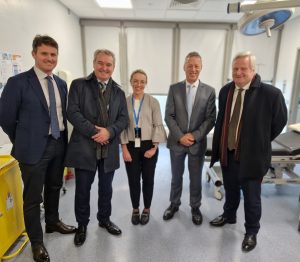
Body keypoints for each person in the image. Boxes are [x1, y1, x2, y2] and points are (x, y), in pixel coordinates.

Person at [0, 35, 76, 262]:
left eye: (53, 55)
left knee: (54, 186)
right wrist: (23, 139)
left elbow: (61, 116)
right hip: (32, 150)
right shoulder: (19, 83)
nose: (49, 58)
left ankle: (52, 222)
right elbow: (5, 118)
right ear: (34, 54)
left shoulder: (61, 84)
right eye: (44, 54)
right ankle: (37, 242)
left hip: (58, 144)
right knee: (32, 198)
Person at [209, 51, 287, 252]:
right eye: (235, 68)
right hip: (228, 152)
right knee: (231, 190)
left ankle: (251, 231)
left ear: (253, 70)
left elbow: (279, 122)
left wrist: (259, 140)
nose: (238, 72)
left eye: (243, 68)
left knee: (252, 198)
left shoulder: (271, 94)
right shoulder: (226, 91)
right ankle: (229, 215)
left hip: (252, 157)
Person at [65, 49, 128, 246]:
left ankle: (104, 219)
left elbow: (123, 118)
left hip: (108, 149)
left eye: (108, 64)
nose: (104, 67)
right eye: (100, 63)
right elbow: (72, 113)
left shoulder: (118, 91)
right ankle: (82, 224)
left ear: (113, 67)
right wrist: (95, 132)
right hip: (85, 147)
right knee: (82, 189)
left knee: (106, 189)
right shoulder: (79, 85)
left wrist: (109, 132)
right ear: (94, 63)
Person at [163, 51, 216, 225]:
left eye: (196, 66)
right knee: (176, 176)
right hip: (177, 143)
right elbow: (169, 116)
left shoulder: (209, 91)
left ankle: (195, 206)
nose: (193, 69)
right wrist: (180, 136)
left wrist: (193, 136)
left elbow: (210, 119)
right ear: (184, 67)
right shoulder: (174, 88)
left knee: (195, 178)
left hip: (197, 143)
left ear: (201, 68)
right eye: (190, 65)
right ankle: (174, 204)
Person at [120, 69, 166, 226]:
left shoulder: (153, 102)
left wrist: (154, 147)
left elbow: (158, 125)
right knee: (133, 180)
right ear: (131, 81)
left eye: (142, 81)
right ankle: (135, 209)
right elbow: (122, 127)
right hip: (131, 145)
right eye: (136, 81)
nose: (138, 84)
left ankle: (146, 208)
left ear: (146, 83)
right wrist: (124, 149)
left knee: (148, 179)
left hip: (149, 145)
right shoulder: (124, 102)